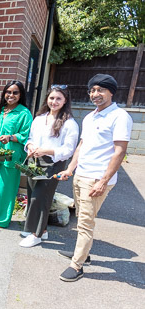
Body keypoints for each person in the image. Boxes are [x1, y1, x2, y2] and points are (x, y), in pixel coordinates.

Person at [57, 74, 132, 282]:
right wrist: (70, 168)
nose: (95, 94)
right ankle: (84, 253)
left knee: (85, 223)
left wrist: (103, 180)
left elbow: (119, 152)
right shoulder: (90, 117)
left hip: (96, 179)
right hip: (81, 175)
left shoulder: (120, 116)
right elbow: (81, 146)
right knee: (81, 218)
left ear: (111, 92)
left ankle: (77, 265)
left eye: (100, 90)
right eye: (92, 90)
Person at [19, 85, 79, 247]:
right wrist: (30, 146)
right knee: (33, 194)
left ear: (65, 100)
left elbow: (69, 149)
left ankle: (35, 234)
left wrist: (48, 150)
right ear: (47, 99)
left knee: (40, 197)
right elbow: (30, 138)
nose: (54, 101)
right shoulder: (39, 118)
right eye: (52, 98)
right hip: (34, 160)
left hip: (53, 163)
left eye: (59, 98)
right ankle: (42, 230)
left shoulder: (69, 123)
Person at [0, 80, 33, 229]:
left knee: (6, 187)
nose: (11, 95)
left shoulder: (24, 113)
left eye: (15, 92)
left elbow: (26, 135)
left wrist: (11, 137)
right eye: (8, 92)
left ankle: (2, 220)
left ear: (21, 95)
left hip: (11, 155)